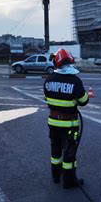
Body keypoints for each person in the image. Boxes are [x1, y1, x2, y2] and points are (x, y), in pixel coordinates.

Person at [43, 49, 89, 189]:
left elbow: (47, 99)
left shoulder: (49, 79)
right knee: (69, 153)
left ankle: (56, 176)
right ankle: (69, 181)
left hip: (53, 122)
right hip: (69, 124)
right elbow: (84, 101)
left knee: (55, 152)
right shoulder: (75, 81)